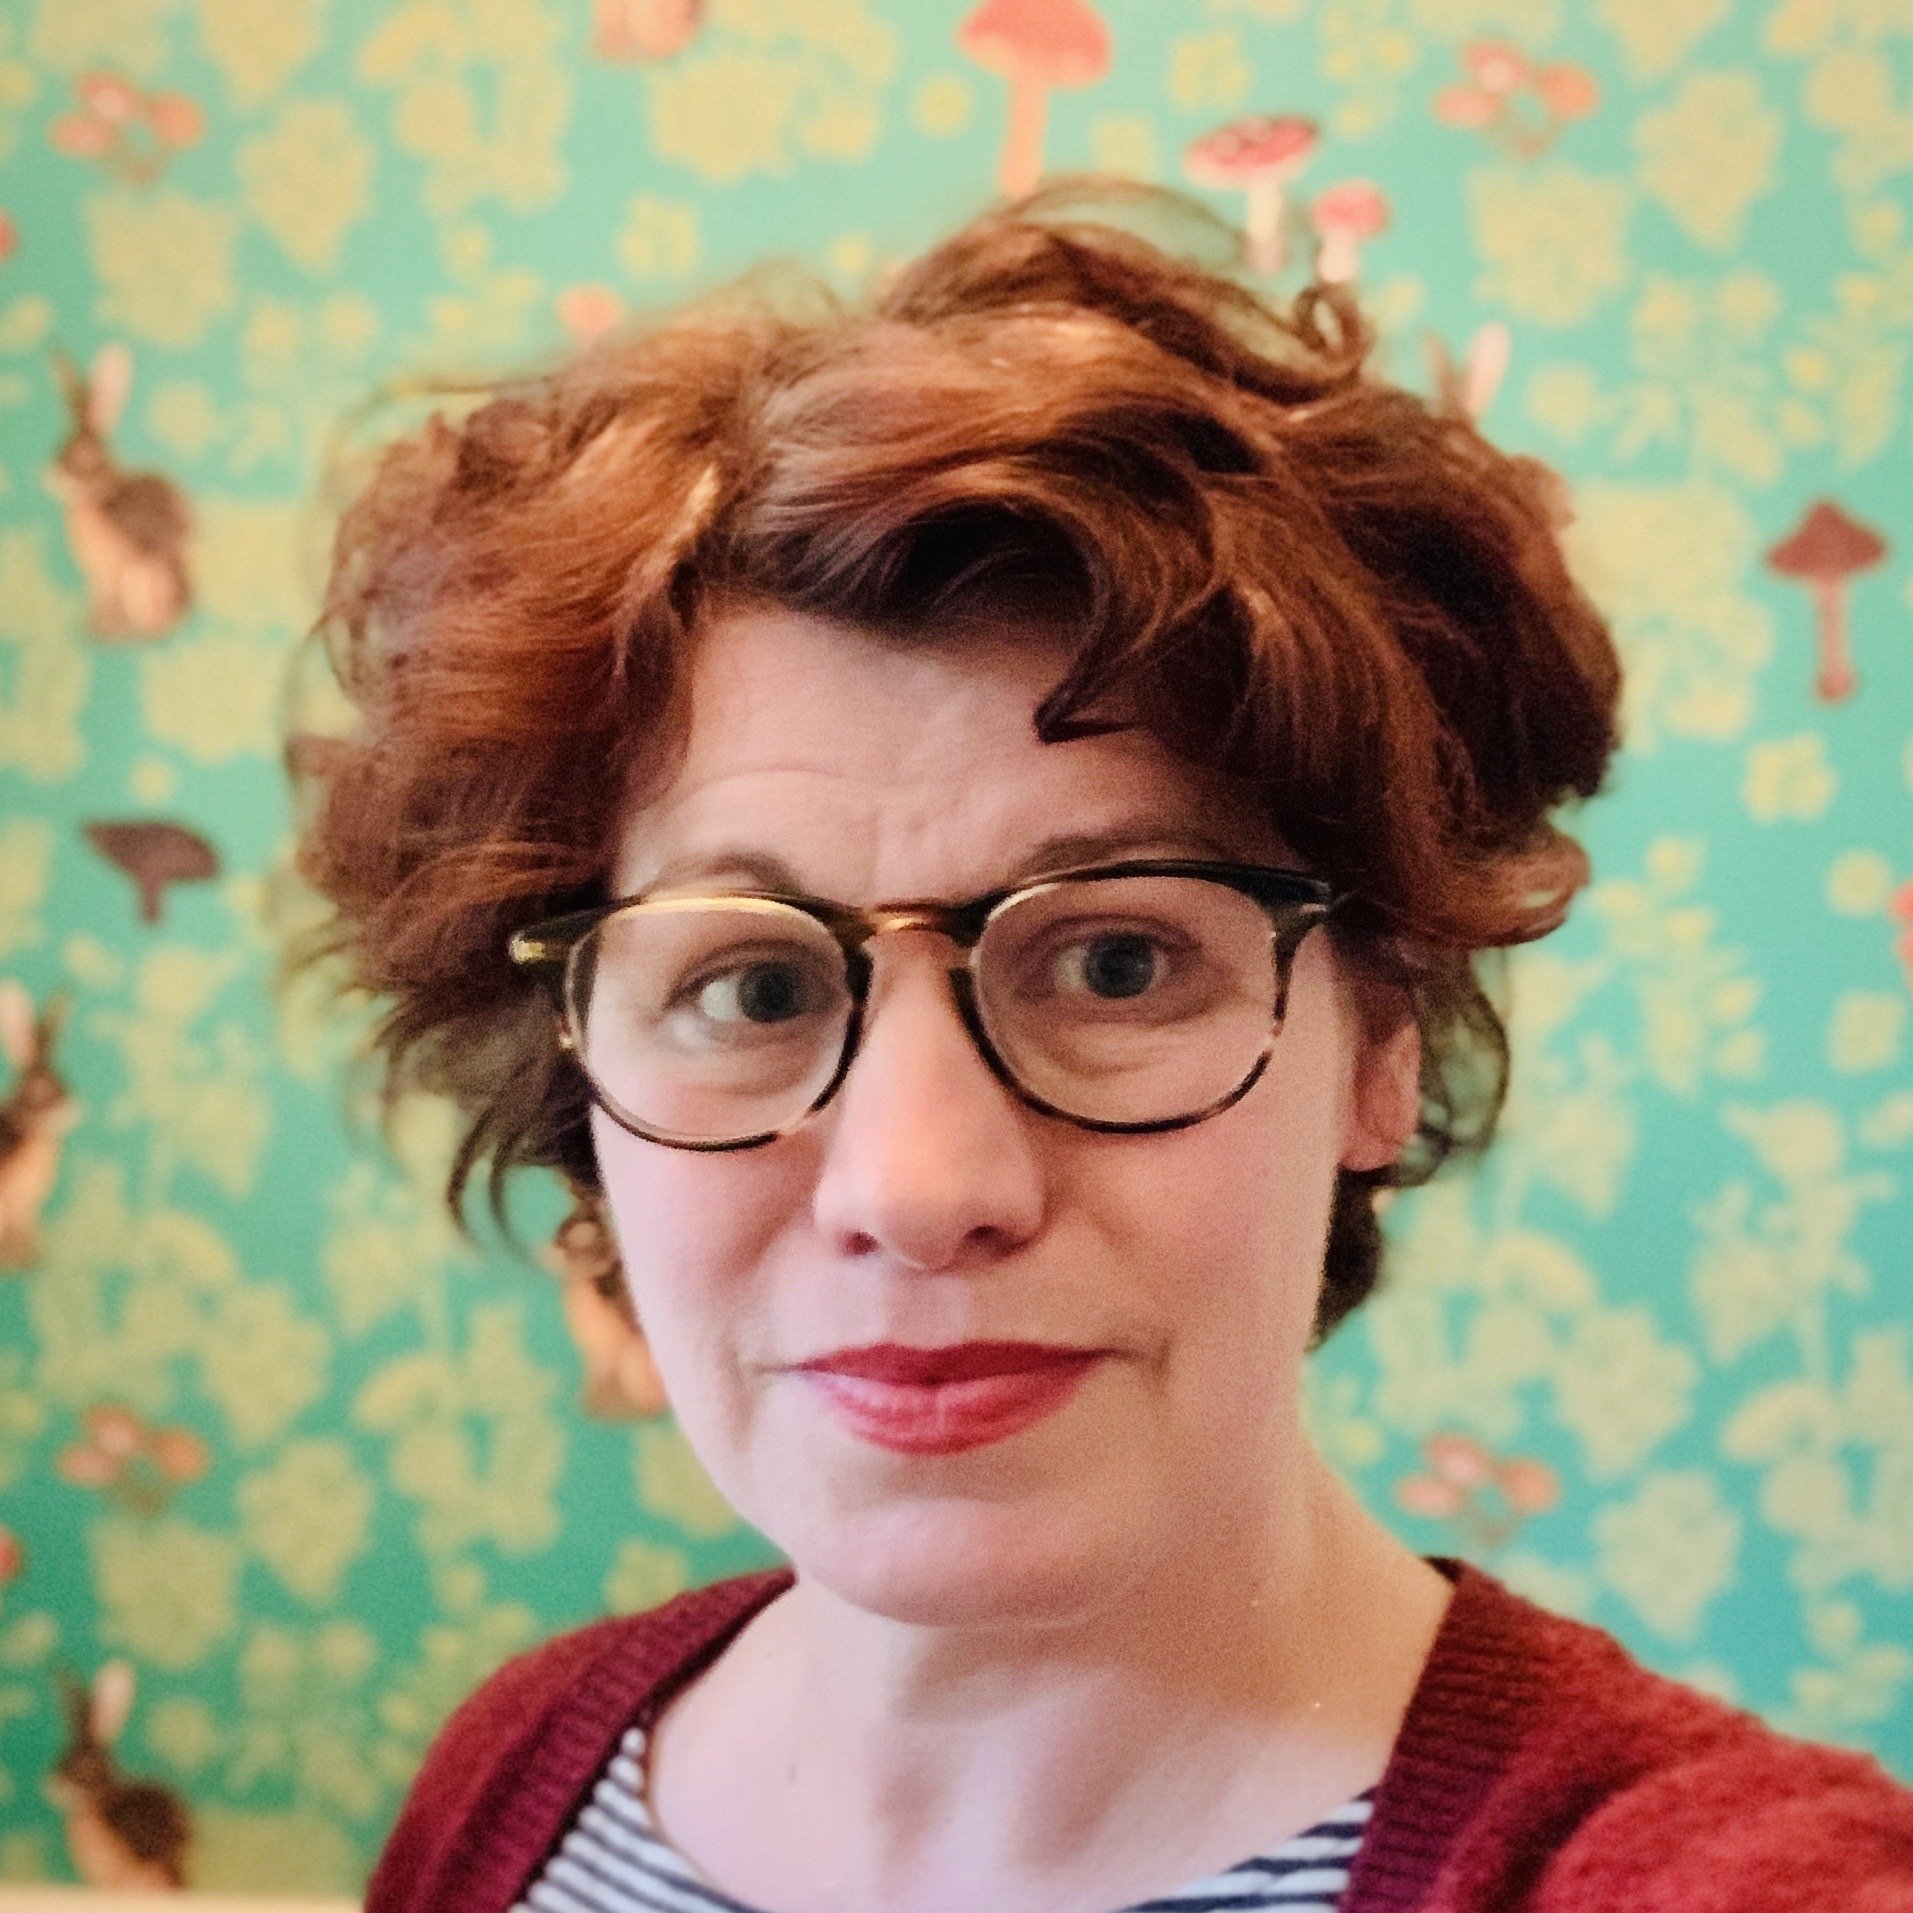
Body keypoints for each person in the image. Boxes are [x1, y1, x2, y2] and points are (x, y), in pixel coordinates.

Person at [295, 186, 1913, 1913]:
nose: (920, 1186)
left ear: (1383, 1039)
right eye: (753, 990)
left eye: (1117, 961)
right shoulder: (515, 1777)